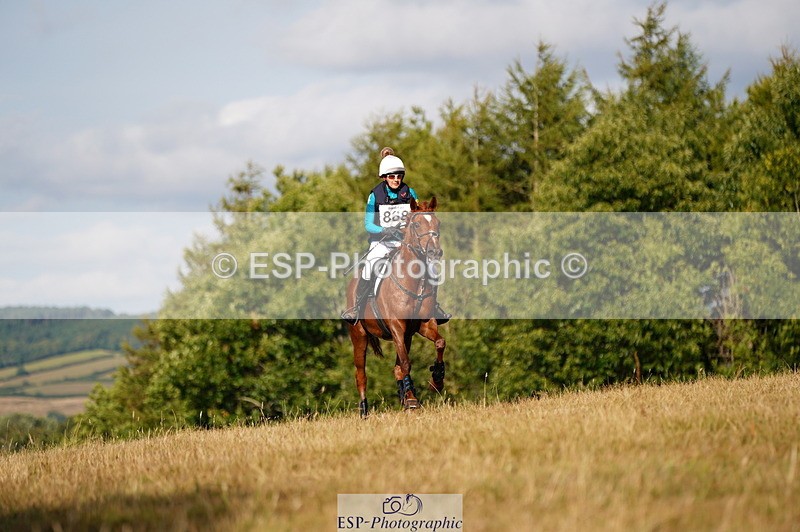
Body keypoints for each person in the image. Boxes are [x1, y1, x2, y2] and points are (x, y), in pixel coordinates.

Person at [341, 147, 451, 325]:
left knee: (431, 269)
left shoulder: (410, 193)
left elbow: (418, 217)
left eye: (399, 176)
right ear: (384, 177)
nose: (396, 179)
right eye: (392, 176)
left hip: (404, 243)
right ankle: (356, 308)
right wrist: (385, 230)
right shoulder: (375, 196)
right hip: (382, 242)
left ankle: (434, 306)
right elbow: (368, 224)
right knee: (369, 267)